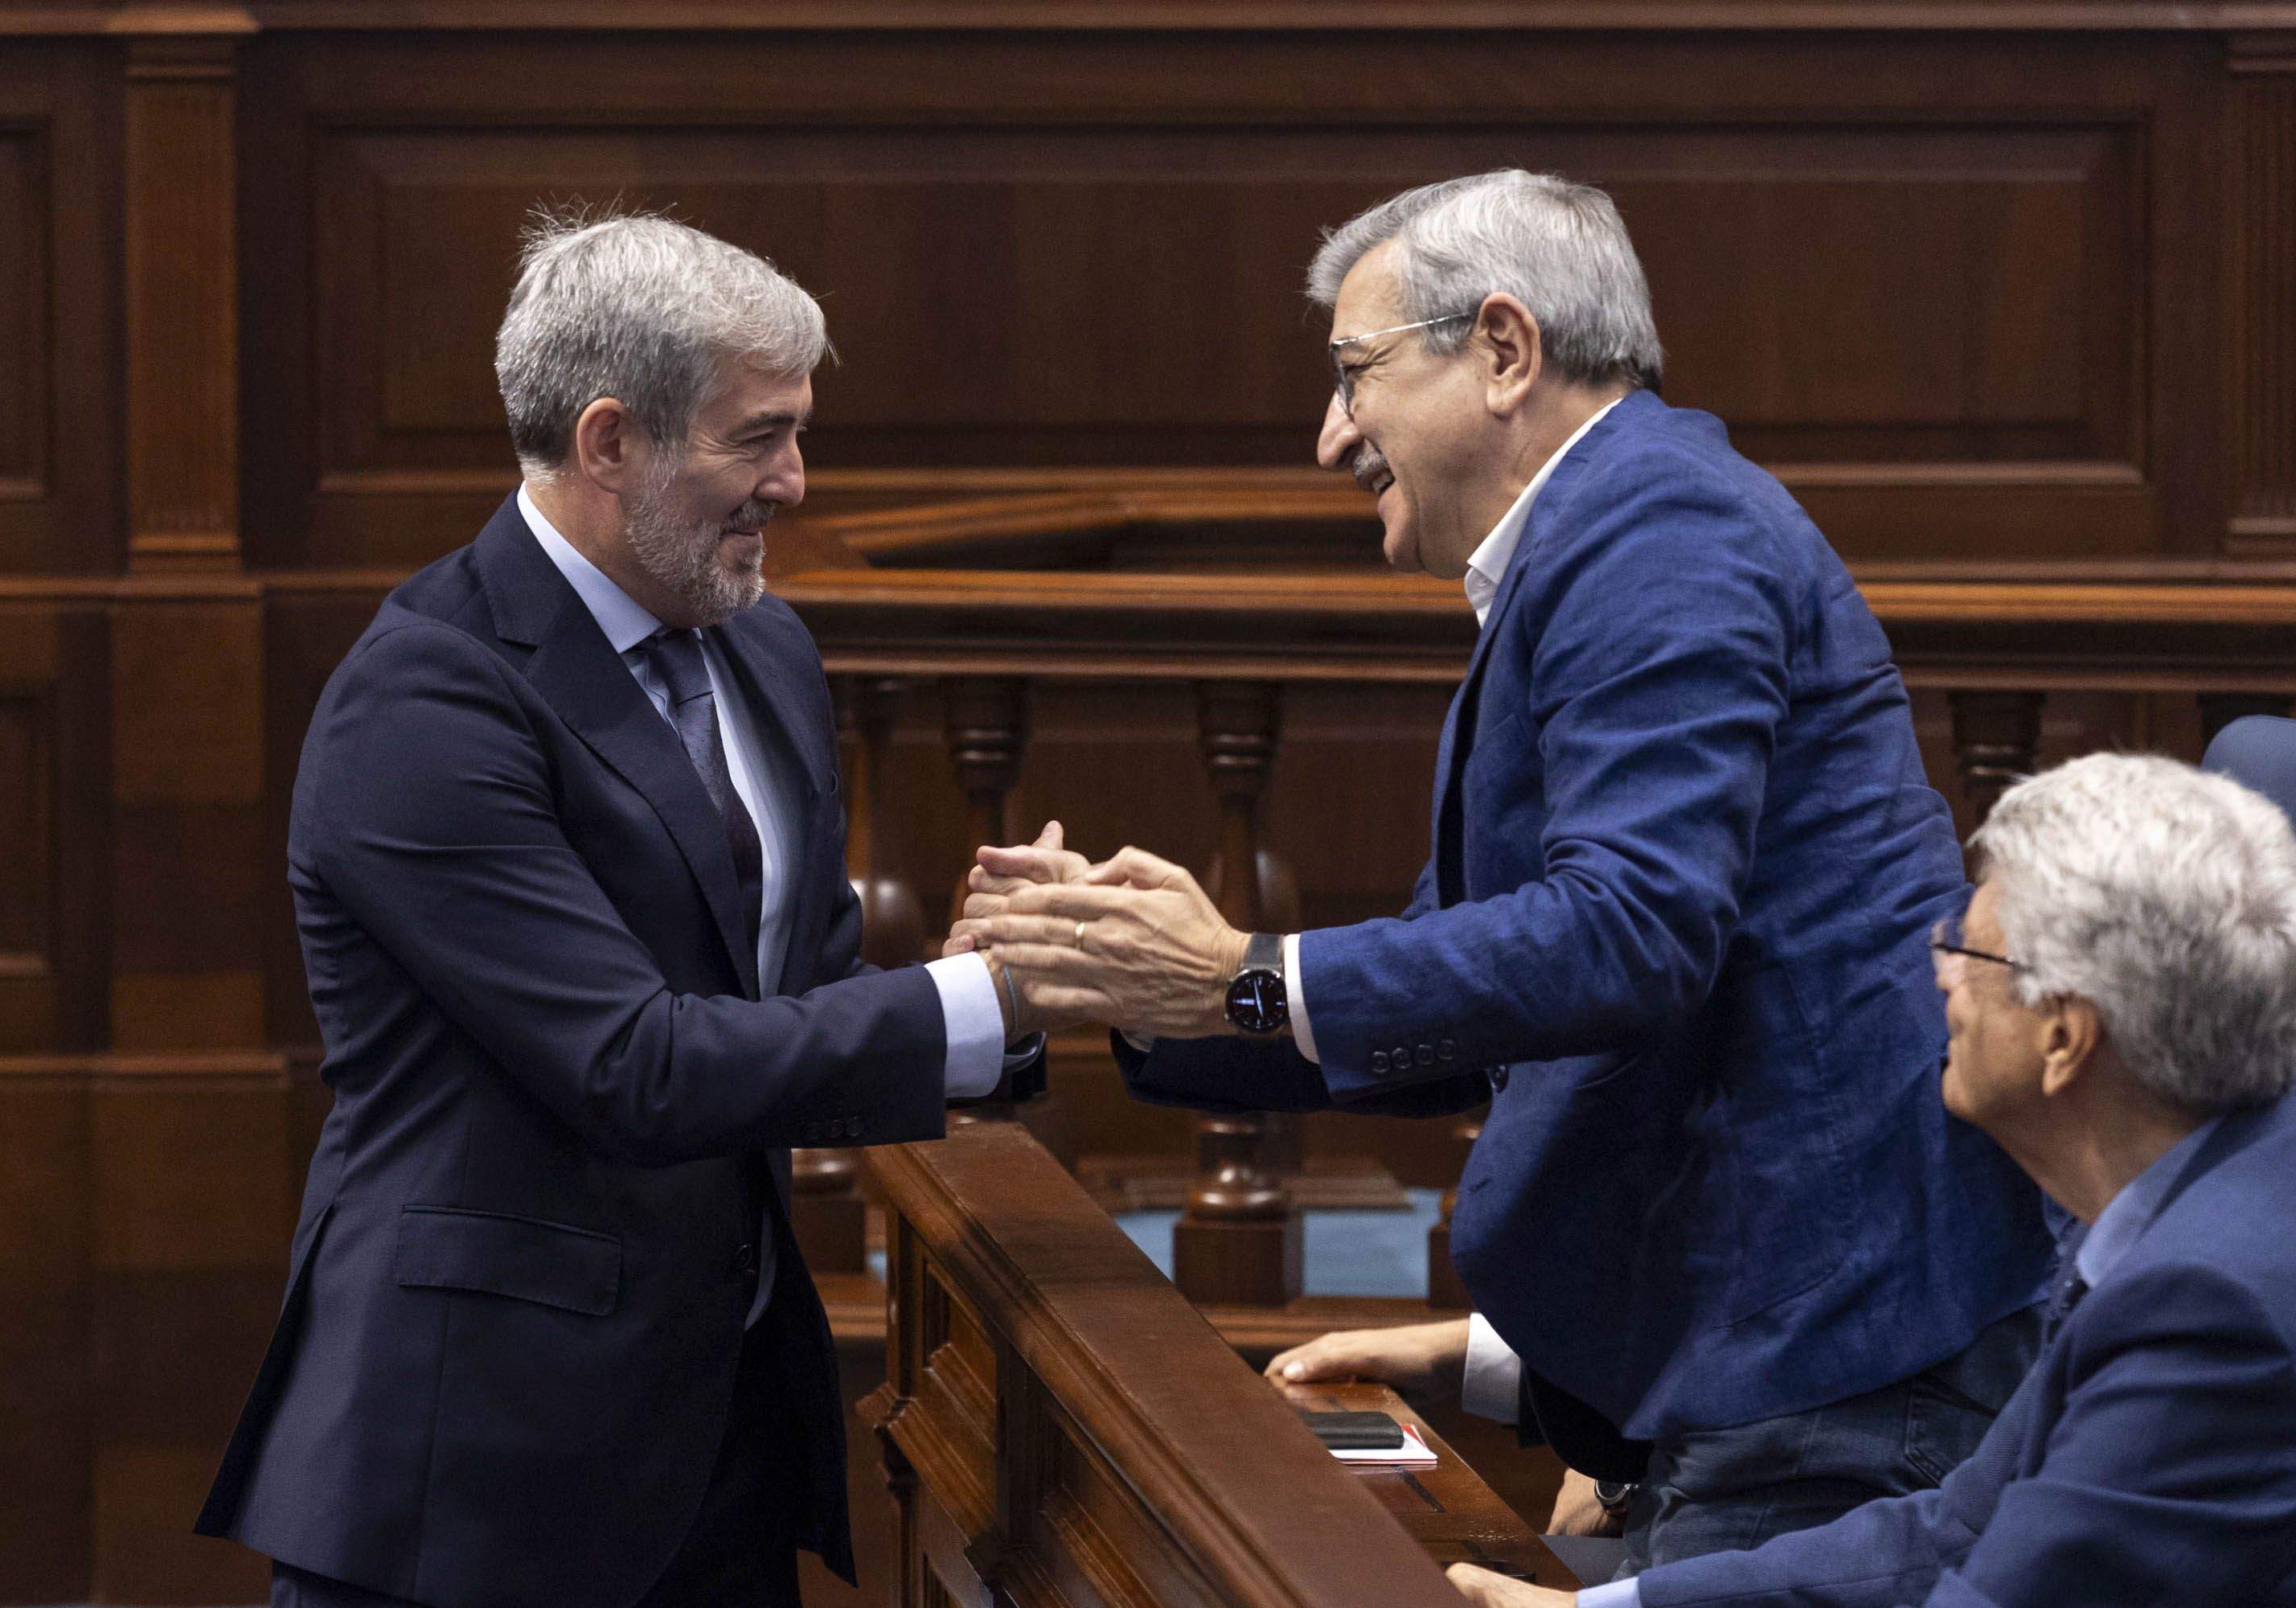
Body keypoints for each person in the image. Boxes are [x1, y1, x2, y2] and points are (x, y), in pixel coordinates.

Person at [961, 170, 2050, 1571]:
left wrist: (1238, 977)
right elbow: (1470, 983)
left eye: (1355, 376)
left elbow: (1631, 933)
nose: (1328, 436)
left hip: (1825, 1349)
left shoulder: (1661, 532)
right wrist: (1150, 993)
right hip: (1771, 1340)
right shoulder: (1613, 529)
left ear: (1503, 350)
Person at [196, 211, 1044, 1608]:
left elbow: (791, 1001)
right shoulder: (425, 696)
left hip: (718, 1441)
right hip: (477, 1478)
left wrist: (997, 973)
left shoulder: (763, 645)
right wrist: (970, 1015)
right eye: (757, 437)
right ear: (608, 442)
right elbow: (633, 1065)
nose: (795, 480)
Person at [1445, 753, 2296, 1606]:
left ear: (2066, 1037)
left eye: (1970, 952)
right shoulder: (2217, 1194)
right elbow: (1953, 1529)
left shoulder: (2213, 1306)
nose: (1937, 970)